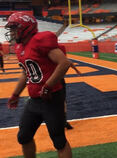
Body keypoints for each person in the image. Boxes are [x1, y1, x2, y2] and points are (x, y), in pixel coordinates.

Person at [5, 12, 72, 158]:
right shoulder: (19, 47)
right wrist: (15, 94)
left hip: (52, 98)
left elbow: (64, 63)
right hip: (35, 99)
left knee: (59, 140)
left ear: (26, 28)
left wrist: (48, 86)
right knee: (23, 136)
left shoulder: (41, 40)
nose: (11, 32)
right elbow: (26, 73)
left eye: (14, 28)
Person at [58, 44, 82, 130]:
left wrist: (76, 70)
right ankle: (62, 121)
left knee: (60, 101)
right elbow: (67, 62)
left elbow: (67, 62)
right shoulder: (58, 49)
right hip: (57, 79)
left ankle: (62, 121)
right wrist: (76, 70)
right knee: (61, 101)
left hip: (53, 79)